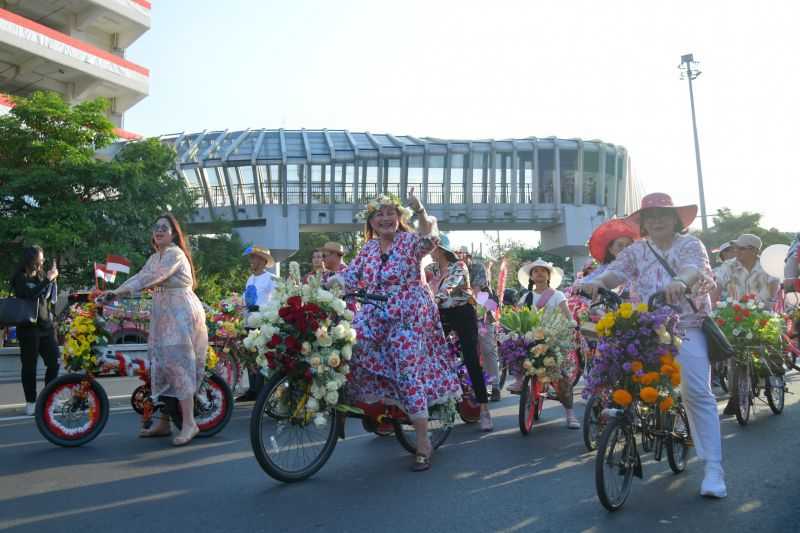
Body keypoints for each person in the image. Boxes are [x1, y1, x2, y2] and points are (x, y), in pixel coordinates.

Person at [578, 192, 726, 499]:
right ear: (643, 223)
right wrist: (598, 282)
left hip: (685, 326)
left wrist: (680, 282)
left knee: (696, 393)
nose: (657, 220)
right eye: (650, 216)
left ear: (674, 219)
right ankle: (627, 426)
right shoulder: (636, 250)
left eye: (663, 215)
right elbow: (615, 272)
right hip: (645, 327)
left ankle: (714, 468)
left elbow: (693, 268)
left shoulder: (690, 244)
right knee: (622, 377)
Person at [331, 189, 461, 472]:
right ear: (371, 222)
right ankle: (352, 402)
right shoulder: (368, 249)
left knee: (406, 370)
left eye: (391, 213)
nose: (385, 218)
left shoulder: (409, 242)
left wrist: (421, 212)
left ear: (399, 217)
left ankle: (423, 442)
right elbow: (349, 276)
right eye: (379, 214)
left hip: (409, 315)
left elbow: (429, 239)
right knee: (348, 344)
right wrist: (322, 286)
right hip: (376, 312)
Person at [104, 214, 208, 447]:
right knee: (160, 366)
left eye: (164, 228)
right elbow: (142, 275)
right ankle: (164, 423)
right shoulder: (154, 257)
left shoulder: (174, 254)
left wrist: (120, 293)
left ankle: (190, 423)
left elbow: (153, 277)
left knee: (177, 364)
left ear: (173, 233)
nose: (159, 231)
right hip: (164, 314)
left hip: (181, 312)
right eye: (156, 227)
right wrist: (116, 291)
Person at [426, 235, 493, 431]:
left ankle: (484, 409)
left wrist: (439, 296)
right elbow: (422, 284)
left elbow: (451, 284)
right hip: (439, 313)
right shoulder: (430, 269)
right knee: (430, 354)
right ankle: (438, 400)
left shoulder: (460, 266)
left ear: (443, 250)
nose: (431, 251)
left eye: (434, 248)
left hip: (462, 312)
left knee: (471, 358)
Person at [711, 233, 781, 415]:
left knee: (773, 338)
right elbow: (716, 286)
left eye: (741, 248)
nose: (736, 251)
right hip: (735, 314)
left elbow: (774, 284)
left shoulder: (766, 265)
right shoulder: (728, 266)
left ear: (754, 250)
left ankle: (776, 369)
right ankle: (736, 394)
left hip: (762, 312)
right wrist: (710, 308)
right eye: (736, 248)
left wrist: (771, 304)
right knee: (734, 354)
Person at [514, 259, 580, 429]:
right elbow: (518, 317)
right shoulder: (526, 296)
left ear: (549, 275)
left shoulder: (557, 295)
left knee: (561, 377)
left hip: (553, 338)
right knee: (513, 351)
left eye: (543, 271)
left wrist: (572, 323)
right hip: (530, 338)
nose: (539, 274)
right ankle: (519, 379)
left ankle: (570, 414)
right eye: (535, 271)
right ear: (531, 277)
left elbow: (567, 314)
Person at [11, 245, 60, 416]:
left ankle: (49, 398)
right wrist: (47, 280)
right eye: (41, 258)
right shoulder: (20, 277)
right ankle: (31, 401)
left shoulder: (40, 275)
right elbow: (29, 295)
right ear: (32, 259)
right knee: (29, 367)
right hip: (28, 328)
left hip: (45, 326)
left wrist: (51, 279)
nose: (43, 260)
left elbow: (45, 296)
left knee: (54, 362)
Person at [237, 246, 278, 403]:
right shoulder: (250, 279)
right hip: (248, 322)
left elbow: (275, 301)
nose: (251, 261)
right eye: (251, 258)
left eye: (253, 257)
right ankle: (252, 390)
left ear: (262, 260)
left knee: (260, 358)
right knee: (250, 357)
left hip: (261, 323)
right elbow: (246, 299)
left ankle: (261, 391)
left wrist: (260, 308)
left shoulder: (270, 278)